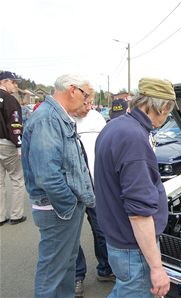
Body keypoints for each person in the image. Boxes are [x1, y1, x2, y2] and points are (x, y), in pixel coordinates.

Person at [94, 77, 175, 298]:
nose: (166, 118)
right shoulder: (134, 138)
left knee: (123, 290)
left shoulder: (115, 126)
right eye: (168, 112)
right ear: (163, 106)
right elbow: (139, 214)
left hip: (116, 239)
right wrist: (157, 269)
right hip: (133, 249)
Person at [21, 74, 95, 297]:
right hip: (57, 209)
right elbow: (47, 175)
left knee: (66, 266)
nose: (87, 102)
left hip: (59, 208)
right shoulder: (48, 118)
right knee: (52, 272)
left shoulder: (54, 116)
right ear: (72, 90)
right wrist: (69, 204)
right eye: (86, 95)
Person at [72, 100, 114, 297]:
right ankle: (77, 276)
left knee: (102, 230)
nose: (89, 105)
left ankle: (105, 269)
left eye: (90, 101)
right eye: (85, 101)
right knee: (72, 237)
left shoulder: (97, 118)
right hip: (71, 188)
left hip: (96, 185)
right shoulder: (63, 119)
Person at [0, 71, 26, 226]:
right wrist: (19, 144)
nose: (16, 85)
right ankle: (16, 215)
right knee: (16, 179)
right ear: (5, 81)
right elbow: (15, 124)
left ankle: (0, 217)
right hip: (6, 144)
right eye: (14, 82)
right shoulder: (10, 100)